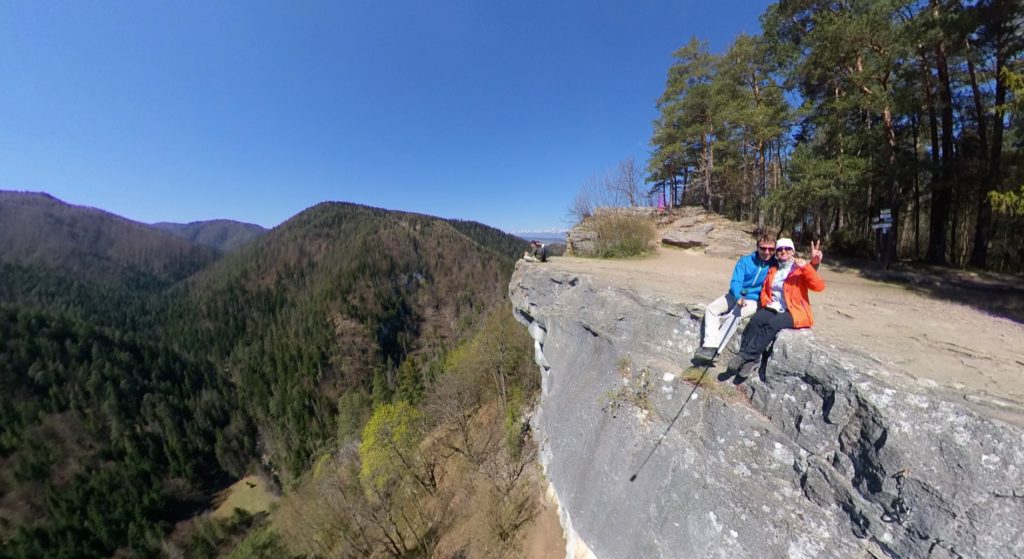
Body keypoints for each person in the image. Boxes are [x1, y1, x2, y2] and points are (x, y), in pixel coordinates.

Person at [727, 238, 825, 378]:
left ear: (793, 251)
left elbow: (819, 286)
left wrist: (810, 265)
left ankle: (744, 356)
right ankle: (753, 360)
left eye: (787, 249)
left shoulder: (799, 268)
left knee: (773, 324)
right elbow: (765, 290)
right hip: (774, 306)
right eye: (779, 249)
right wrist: (765, 303)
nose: (783, 251)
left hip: (794, 311)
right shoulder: (773, 269)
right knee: (756, 321)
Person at [692, 234, 777, 364]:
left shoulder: (774, 265)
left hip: (754, 300)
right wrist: (738, 297)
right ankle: (710, 346)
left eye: (771, 249)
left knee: (735, 315)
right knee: (711, 309)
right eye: (763, 248)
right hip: (735, 295)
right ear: (757, 247)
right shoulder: (745, 261)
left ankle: (716, 351)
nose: (767, 252)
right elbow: (736, 281)